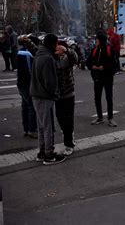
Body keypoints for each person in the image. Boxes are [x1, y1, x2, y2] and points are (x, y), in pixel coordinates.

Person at [30, 34, 65, 165]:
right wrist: (55, 94)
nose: (57, 46)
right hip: (45, 96)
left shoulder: (39, 54)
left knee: (41, 126)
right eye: (56, 44)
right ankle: (49, 155)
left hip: (36, 94)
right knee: (48, 127)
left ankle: (42, 151)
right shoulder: (47, 58)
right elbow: (50, 82)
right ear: (52, 44)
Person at [87, 33, 117, 127]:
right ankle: (100, 117)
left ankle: (110, 118)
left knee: (109, 98)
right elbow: (88, 62)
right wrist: (93, 67)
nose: (96, 42)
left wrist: (104, 67)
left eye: (97, 40)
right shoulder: (95, 50)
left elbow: (114, 65)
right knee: (97, 98)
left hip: (107, 77)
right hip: (97, 77)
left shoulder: (109, 50)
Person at [55, 40, 78, 156]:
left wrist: (67, 50)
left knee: (68, 119)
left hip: (68, 93)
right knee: (60, 117)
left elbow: (75, 58)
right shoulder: (53, 58)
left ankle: (69, 144)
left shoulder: (67, 58)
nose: (58, 50)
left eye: (60, 48)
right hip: (57, 94)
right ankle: (67, 133)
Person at [16, 35, 38, 139]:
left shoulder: (20, 51)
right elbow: (30, 70)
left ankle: (26, 129)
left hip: (20, 82)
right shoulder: (29, 53)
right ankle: (32, 130)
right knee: (31, 106)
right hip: (28, 83)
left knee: (25, 106)